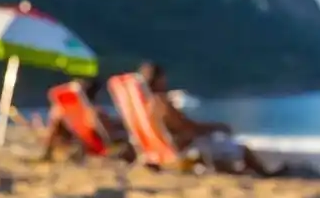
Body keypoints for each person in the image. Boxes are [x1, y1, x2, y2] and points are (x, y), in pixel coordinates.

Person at [142, 62, 286, 177]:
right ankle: (266, 174)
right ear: (159, 79)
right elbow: (188, 128)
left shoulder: (146, 105)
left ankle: (231, 169)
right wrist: (216, 126)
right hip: (185, 148)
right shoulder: (162, 104)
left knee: (219, 145)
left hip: (169, 149)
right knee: (242, 149)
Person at [39, 78, 131, 161]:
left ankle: (49, 153)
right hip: (102, 145)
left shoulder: (62, 112)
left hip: (80, 142)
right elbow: (109, 136)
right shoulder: (95, 113)